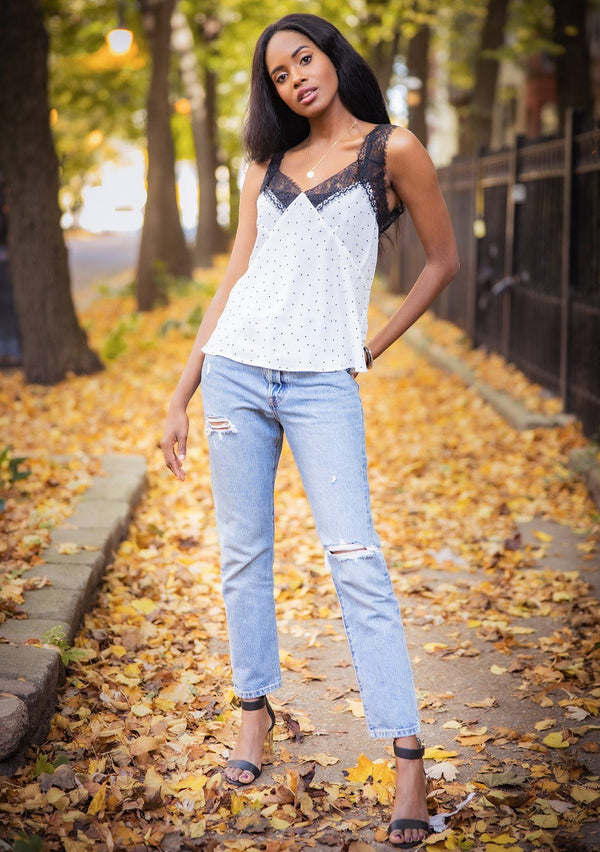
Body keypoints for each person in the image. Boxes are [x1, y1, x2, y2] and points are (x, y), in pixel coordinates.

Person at [161, 13, 458, 849]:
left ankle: (407, 758)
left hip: (324, 380)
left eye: (304, 58)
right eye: (281, 73)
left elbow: (442, 263)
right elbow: (233, 283)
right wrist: (180, 394)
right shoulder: (267, 164)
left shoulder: (391, 152)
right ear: (274, 92)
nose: (296, 77)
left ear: (331, 58)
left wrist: (367, 348)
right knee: (244, 556)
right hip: (236, 372)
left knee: (356, 560)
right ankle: (252, 713)